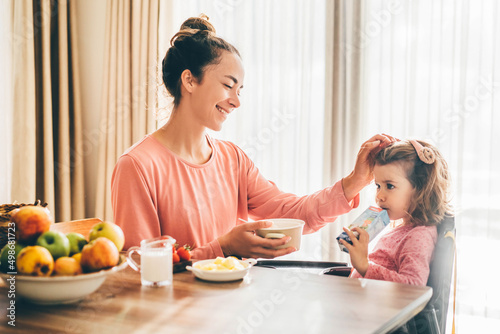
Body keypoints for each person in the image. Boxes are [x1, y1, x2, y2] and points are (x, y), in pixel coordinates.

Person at [111, 15, 396, 260]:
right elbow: (140, 269)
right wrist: (222, 248)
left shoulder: (232, 159)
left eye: (240, 90)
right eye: (228, 85)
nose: (236, 101)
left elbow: (294, 215)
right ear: (189, 81)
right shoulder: (137, 166)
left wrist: (356, 180)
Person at [340, 139, 452, 286]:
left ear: (420, 189)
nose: (379, 195)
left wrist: (364, 265)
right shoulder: (403, 230)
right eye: (378, 186)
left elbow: (413, 287)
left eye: (390, 186)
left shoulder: (418, 236)